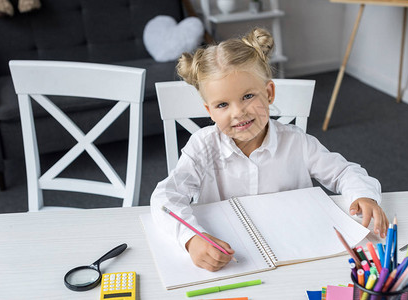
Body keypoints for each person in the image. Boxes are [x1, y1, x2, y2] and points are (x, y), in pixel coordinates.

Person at [151, 27, 389, 272]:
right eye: (222, 104)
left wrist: (364, 195)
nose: (238, 112)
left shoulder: (297, 142)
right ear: (210, 111)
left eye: (248, 96)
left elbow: (344, 173)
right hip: (233, 262)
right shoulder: (202, 146)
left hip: (298, 256)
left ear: (269, 93)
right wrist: (192, 239)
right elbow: (165, 199)